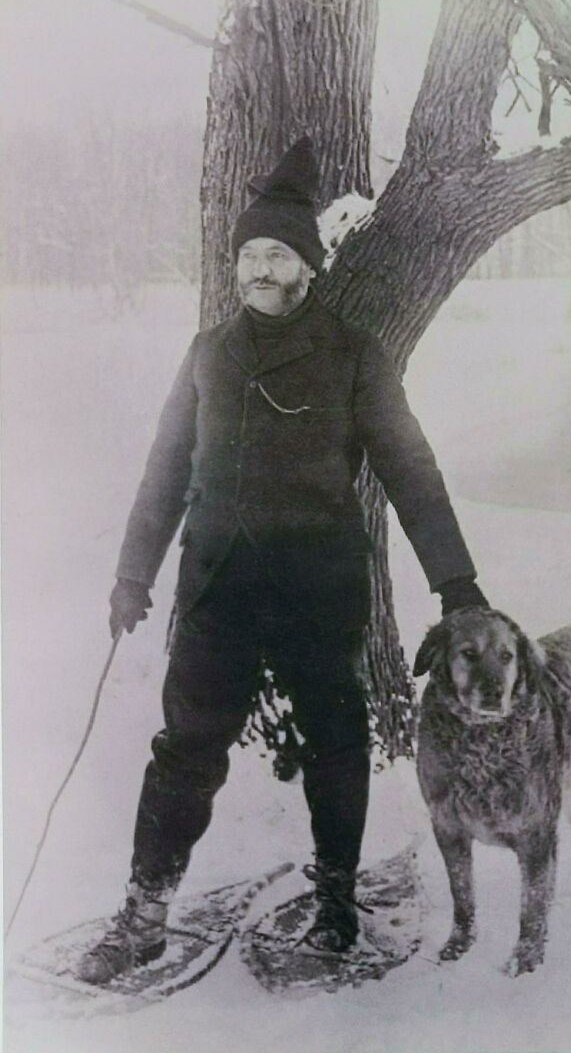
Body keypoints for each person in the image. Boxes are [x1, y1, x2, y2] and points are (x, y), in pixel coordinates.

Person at [78, 135, 488, 984]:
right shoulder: (206, 356)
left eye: (277, 255)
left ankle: (335, 893)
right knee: (185, 749)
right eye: (249, 255)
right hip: (217, 589)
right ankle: (145, 910)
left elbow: (412, 471)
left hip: (314, 589)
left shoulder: (354, 356)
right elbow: (164, 471)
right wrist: (132, 574)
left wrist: (457, 582)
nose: (259, 269)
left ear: (309, 267)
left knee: (336, 741)